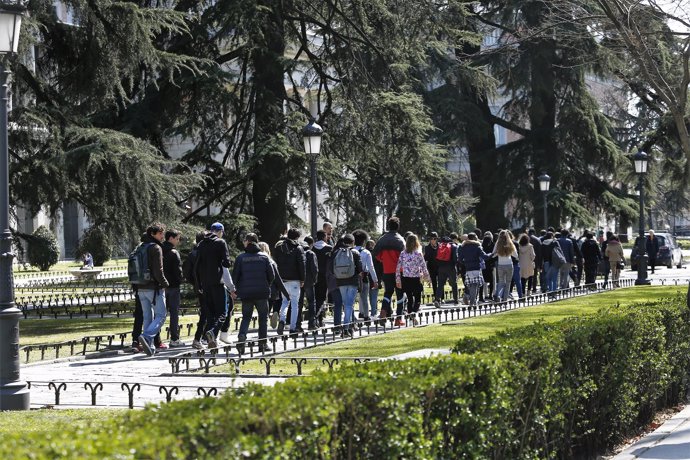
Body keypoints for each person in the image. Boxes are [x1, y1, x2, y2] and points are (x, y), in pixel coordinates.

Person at [232, 233, 275, 354]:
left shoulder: (240, 258)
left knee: (246, 317)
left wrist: (236, 290)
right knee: (263, 318)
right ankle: (262, 344)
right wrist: (266, 284)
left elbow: (235, 276)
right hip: (262, 292)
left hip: (246, 293)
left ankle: (242, 336)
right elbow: (272, 275)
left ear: (248, 242)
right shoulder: (264, 257)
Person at [196, 222, 236, 349]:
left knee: (210, 313)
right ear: (220, 231)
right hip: (217, 282)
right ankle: (212, 332)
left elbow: (197, 266)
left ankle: (211, 337)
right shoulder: (220, 243)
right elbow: (226, 263)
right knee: (223, 312)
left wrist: (199, 284)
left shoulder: (201, 244)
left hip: (205, 283)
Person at [136, 223, 170, 356]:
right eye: (160, 233)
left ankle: (149, 347)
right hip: (154, 288)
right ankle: (147, 336)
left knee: (147, 317)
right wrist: (165, 284)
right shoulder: (156, 248)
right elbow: (158, 271)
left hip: (140, 287)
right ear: (153, 234)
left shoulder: (140, 247)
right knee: (161, 315)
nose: (162, 236)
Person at [274, 228, 306, 336]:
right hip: (295, 280)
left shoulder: (279, 247)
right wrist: (303, 279)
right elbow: (302, 265)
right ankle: (293, 328)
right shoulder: (298, 248)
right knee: (295, 304)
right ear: (297, 237)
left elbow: (275, 263)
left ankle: (282, 320)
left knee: (284, 302)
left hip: (283, 280)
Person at [372, 217, 406, 320]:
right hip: (399, 272)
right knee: (400, 294)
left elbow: (375, 254)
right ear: (398, 226)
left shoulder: (382, 239)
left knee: (388, 293)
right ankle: (399, 318)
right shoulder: (401, 240)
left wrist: (383, 259)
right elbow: (405, 256)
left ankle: (383, 312)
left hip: (387, 271)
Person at [395, 233, 429, 325]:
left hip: (406, 279)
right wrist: (427, 277)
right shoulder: (418, 254)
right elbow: (423, 266)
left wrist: (398, 280)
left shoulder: (403, 253)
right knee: (417, 297)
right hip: (416, 278)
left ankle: (410, 315)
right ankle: (414, 313)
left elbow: (398, 267)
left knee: (410, 298)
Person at [332, 234, 362, 336]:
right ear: (353, 242)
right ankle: (346, 327)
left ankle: (348, 327)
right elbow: (360, 269)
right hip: (352, 281)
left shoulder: (336, 252)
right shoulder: (355, 252)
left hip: (340, 281)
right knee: (349, 305)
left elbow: (333, 268)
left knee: (346, 304)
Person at [258, 241, 291, 332]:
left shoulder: (256, 259)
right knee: (272, 303)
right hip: (272, 289)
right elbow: (276, 277)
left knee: (262, 309)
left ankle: (267, 318)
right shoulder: (271, 261)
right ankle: (274, 313)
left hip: (259, 289)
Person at [162, 229, 185, 347]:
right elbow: (178, 271)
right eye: (177, 239)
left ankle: (156, 339)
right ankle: (174, 338)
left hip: (162, 286)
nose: (178, 241)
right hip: (174, 286)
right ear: (171, 238)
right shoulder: (173, 253)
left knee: (160, 313)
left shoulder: (159, 250)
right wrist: (181, 279)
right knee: (174, 313)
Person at [458, 232, 490, 307]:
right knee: (475, 286)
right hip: (476, 268)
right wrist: (492, 254)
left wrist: (465, 263)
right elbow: (485, 256)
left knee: (470, 285)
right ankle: (472, 302)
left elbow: (459, 258)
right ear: (475, 238)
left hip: (468, 269)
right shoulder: (477, 247)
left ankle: (468, 297)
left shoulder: (463, 247)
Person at [354, 229, 378, 321]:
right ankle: (366, 315)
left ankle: (352, 316)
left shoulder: (350, 250)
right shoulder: (366, 252)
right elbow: (371, 267)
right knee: (364, 297)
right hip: (364, 276)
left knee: (352, 299)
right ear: (364, 241)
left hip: (353, 277)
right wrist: (375, 280)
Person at [311, 230, 332, 327]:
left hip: (314, 276)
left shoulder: (312, 248)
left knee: (315, 298)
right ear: (324, 237)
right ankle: (318, 318)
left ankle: (317, 318)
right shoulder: (329, 248)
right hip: (325, 276)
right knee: (322, 298)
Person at [492, 230, 517, 302]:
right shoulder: (510, 243)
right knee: (508, 283)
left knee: (501, 282)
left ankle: (499, 295)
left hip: (500, 265)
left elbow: (493, 254)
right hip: (509, 264)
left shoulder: (498, 244)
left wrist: (497, 253)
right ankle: (505, 299)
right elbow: (515, 255)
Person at [300, 236, 319, 330]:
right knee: (311, 302)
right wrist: (315, 280)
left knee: (299, 303)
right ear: (311, 244)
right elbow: (315, 269)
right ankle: (311, 324)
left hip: (299, 281)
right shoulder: (311, 253)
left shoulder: (299, 252)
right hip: (309, 281)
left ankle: (297, 325)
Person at [434, 235, 459, 307]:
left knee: (440, 284)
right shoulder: (454, 246)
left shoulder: (439, 246)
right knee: (454, 284)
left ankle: (437, 299)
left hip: (441, 268)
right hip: (451, 268)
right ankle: (456, 300)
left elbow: (436, 258)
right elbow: (455, 258)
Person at [367, 239, 382, 319]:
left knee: (369, 295)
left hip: (367, 277)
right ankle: (373, 312)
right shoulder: (376, 254)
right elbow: (380, 267)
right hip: (376, 276)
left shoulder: (365, 253)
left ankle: (373, 311)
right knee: (374, 296)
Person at [423, 232, 439, 298]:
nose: (433, 240)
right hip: (431, 267)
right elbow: (425, 258)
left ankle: (442, 297)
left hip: (439, 267)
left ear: (437, 239)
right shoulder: (427, 248)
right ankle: (436, 297)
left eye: (435, 238)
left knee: (441, 283)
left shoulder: (440, 246)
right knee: (434, 283)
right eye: (431, 238)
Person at [480, 232, 495, 302]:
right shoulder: (492, 246)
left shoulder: (482, 247)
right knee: (491, 281)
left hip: (483, 266)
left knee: (483, 282)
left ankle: (483, 295)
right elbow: (494, 256)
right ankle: (490, 295)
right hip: (490, 266)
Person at [528, 229, 542, 294]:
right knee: (534, 274)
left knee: (526, 275)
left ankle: (527, 288)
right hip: (535, 260)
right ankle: (534, 288)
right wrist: (540, 264)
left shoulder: (524, 239)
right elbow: (539, 252)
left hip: (525, 260)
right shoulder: (537, 240)